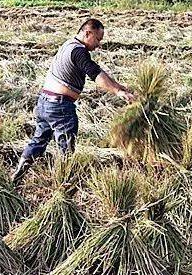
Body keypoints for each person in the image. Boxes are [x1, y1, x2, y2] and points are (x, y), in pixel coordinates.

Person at [11, 18, 135, 184]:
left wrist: (119, 86)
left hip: (44, 103)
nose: (99, 45)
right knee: (66, 150)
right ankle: (63, 187)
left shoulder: (68, 45)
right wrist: (117, 92)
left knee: (38, 141)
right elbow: (95, 75)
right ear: (87, 33)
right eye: (97, 39)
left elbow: (98, 70)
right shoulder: (79, 51)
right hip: (60, 107)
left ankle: (17, 176)